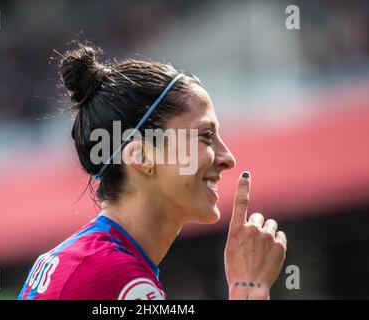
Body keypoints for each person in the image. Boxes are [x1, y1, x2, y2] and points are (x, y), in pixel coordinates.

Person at [18, 43, 287, 300]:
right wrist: (249, 288)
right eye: (205, 136)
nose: (227, 158)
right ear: (142, 156)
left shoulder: (92, 260)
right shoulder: (116, 276)